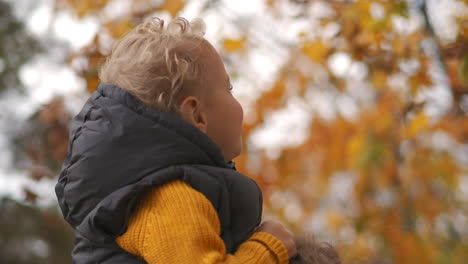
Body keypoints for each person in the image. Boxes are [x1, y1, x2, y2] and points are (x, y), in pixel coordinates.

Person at [55, 17, 296, 263]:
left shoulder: (156, 192)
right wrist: (268, 248)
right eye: (229, 88)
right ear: (197, 114)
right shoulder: (171, 199)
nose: (238, 101)